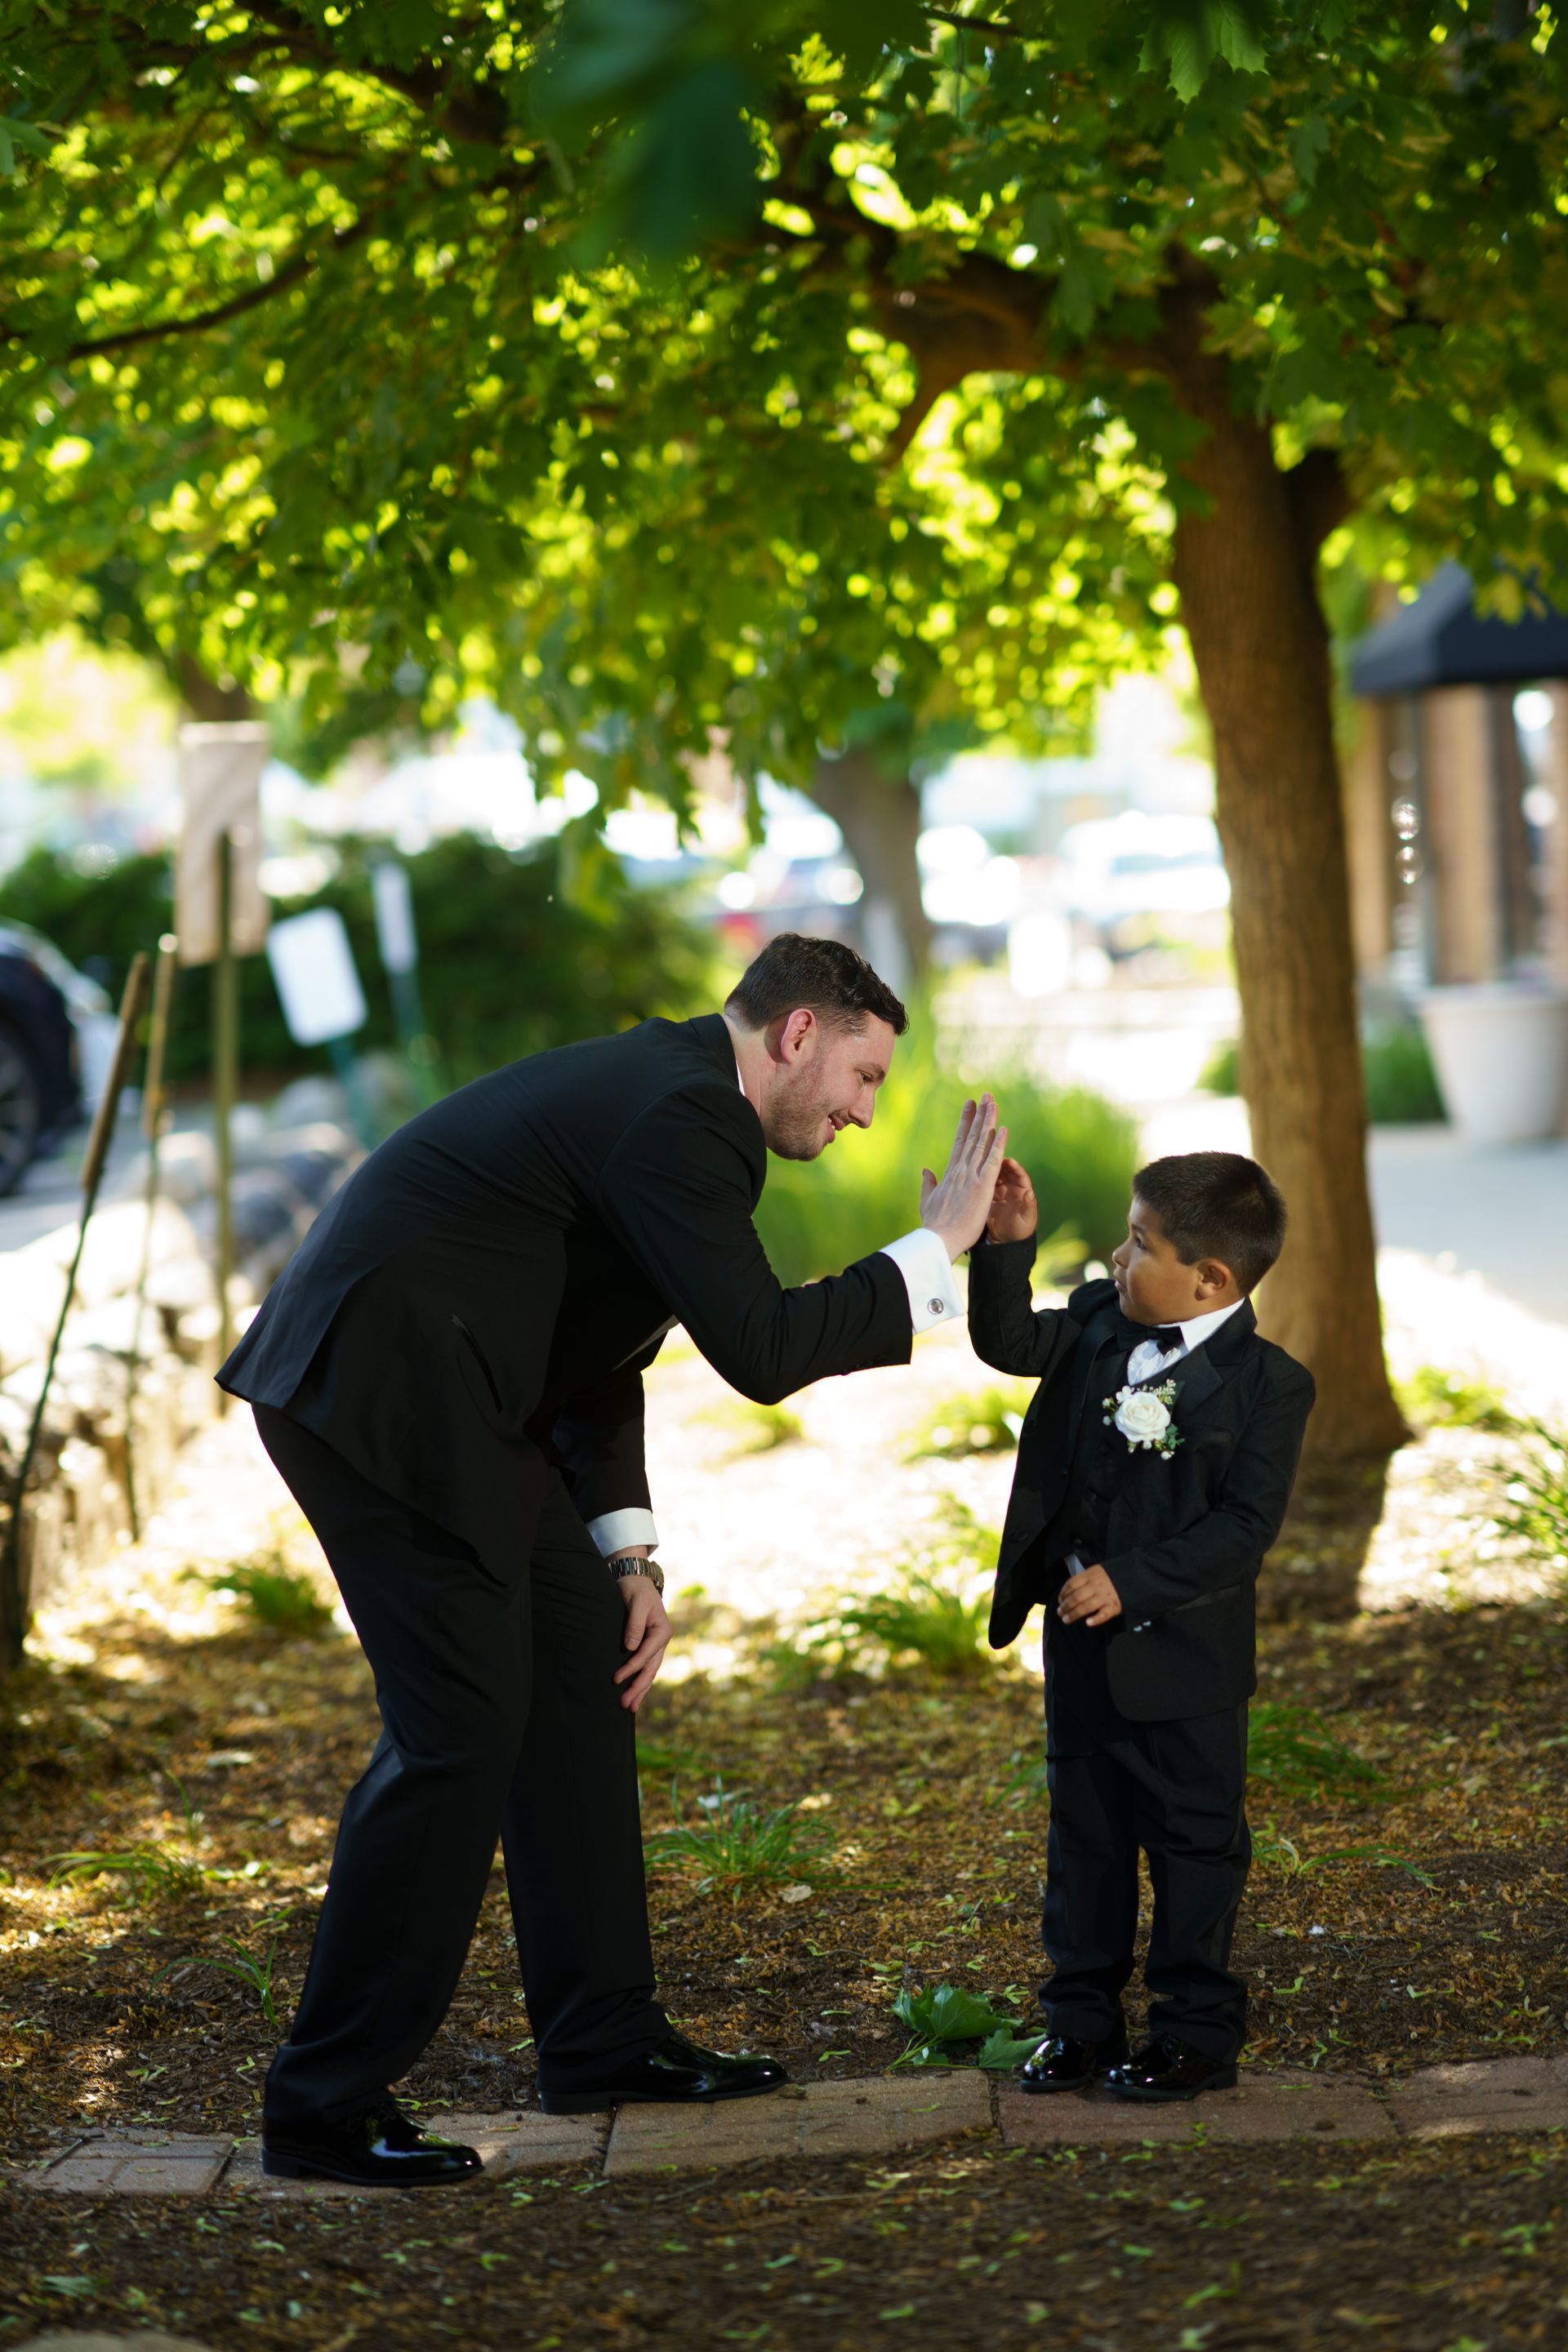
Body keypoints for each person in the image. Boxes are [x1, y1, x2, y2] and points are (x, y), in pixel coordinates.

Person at [219, 933, 1007, 2185]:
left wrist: (626, 1552)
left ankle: (600, 2041)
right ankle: (321, 2104)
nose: (863, 1113)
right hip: (379, 1398)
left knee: (580, 1671)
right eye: (861, 1076)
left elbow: (599, 1338)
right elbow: (757, 1347)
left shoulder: (679, 1098)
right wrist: (935, 1252)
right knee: (458, 1735)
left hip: (466, 1394)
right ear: (798, 1035)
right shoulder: (690, 1116)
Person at [966, 1149, 1316, 2103]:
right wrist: (1007, 1247)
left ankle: (1194, 2030)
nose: (1120, 1257)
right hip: (1080, 1651)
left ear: (1212, 1280)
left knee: (1195, 1846)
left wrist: (1134, 1579)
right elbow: (1006, 1341)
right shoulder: (1095, 1322)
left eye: (1139, 1242)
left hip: (1187, 1665)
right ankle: (1077, 2021)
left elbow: (1242, 1532)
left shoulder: (1271, 1389)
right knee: (1083, 1839)